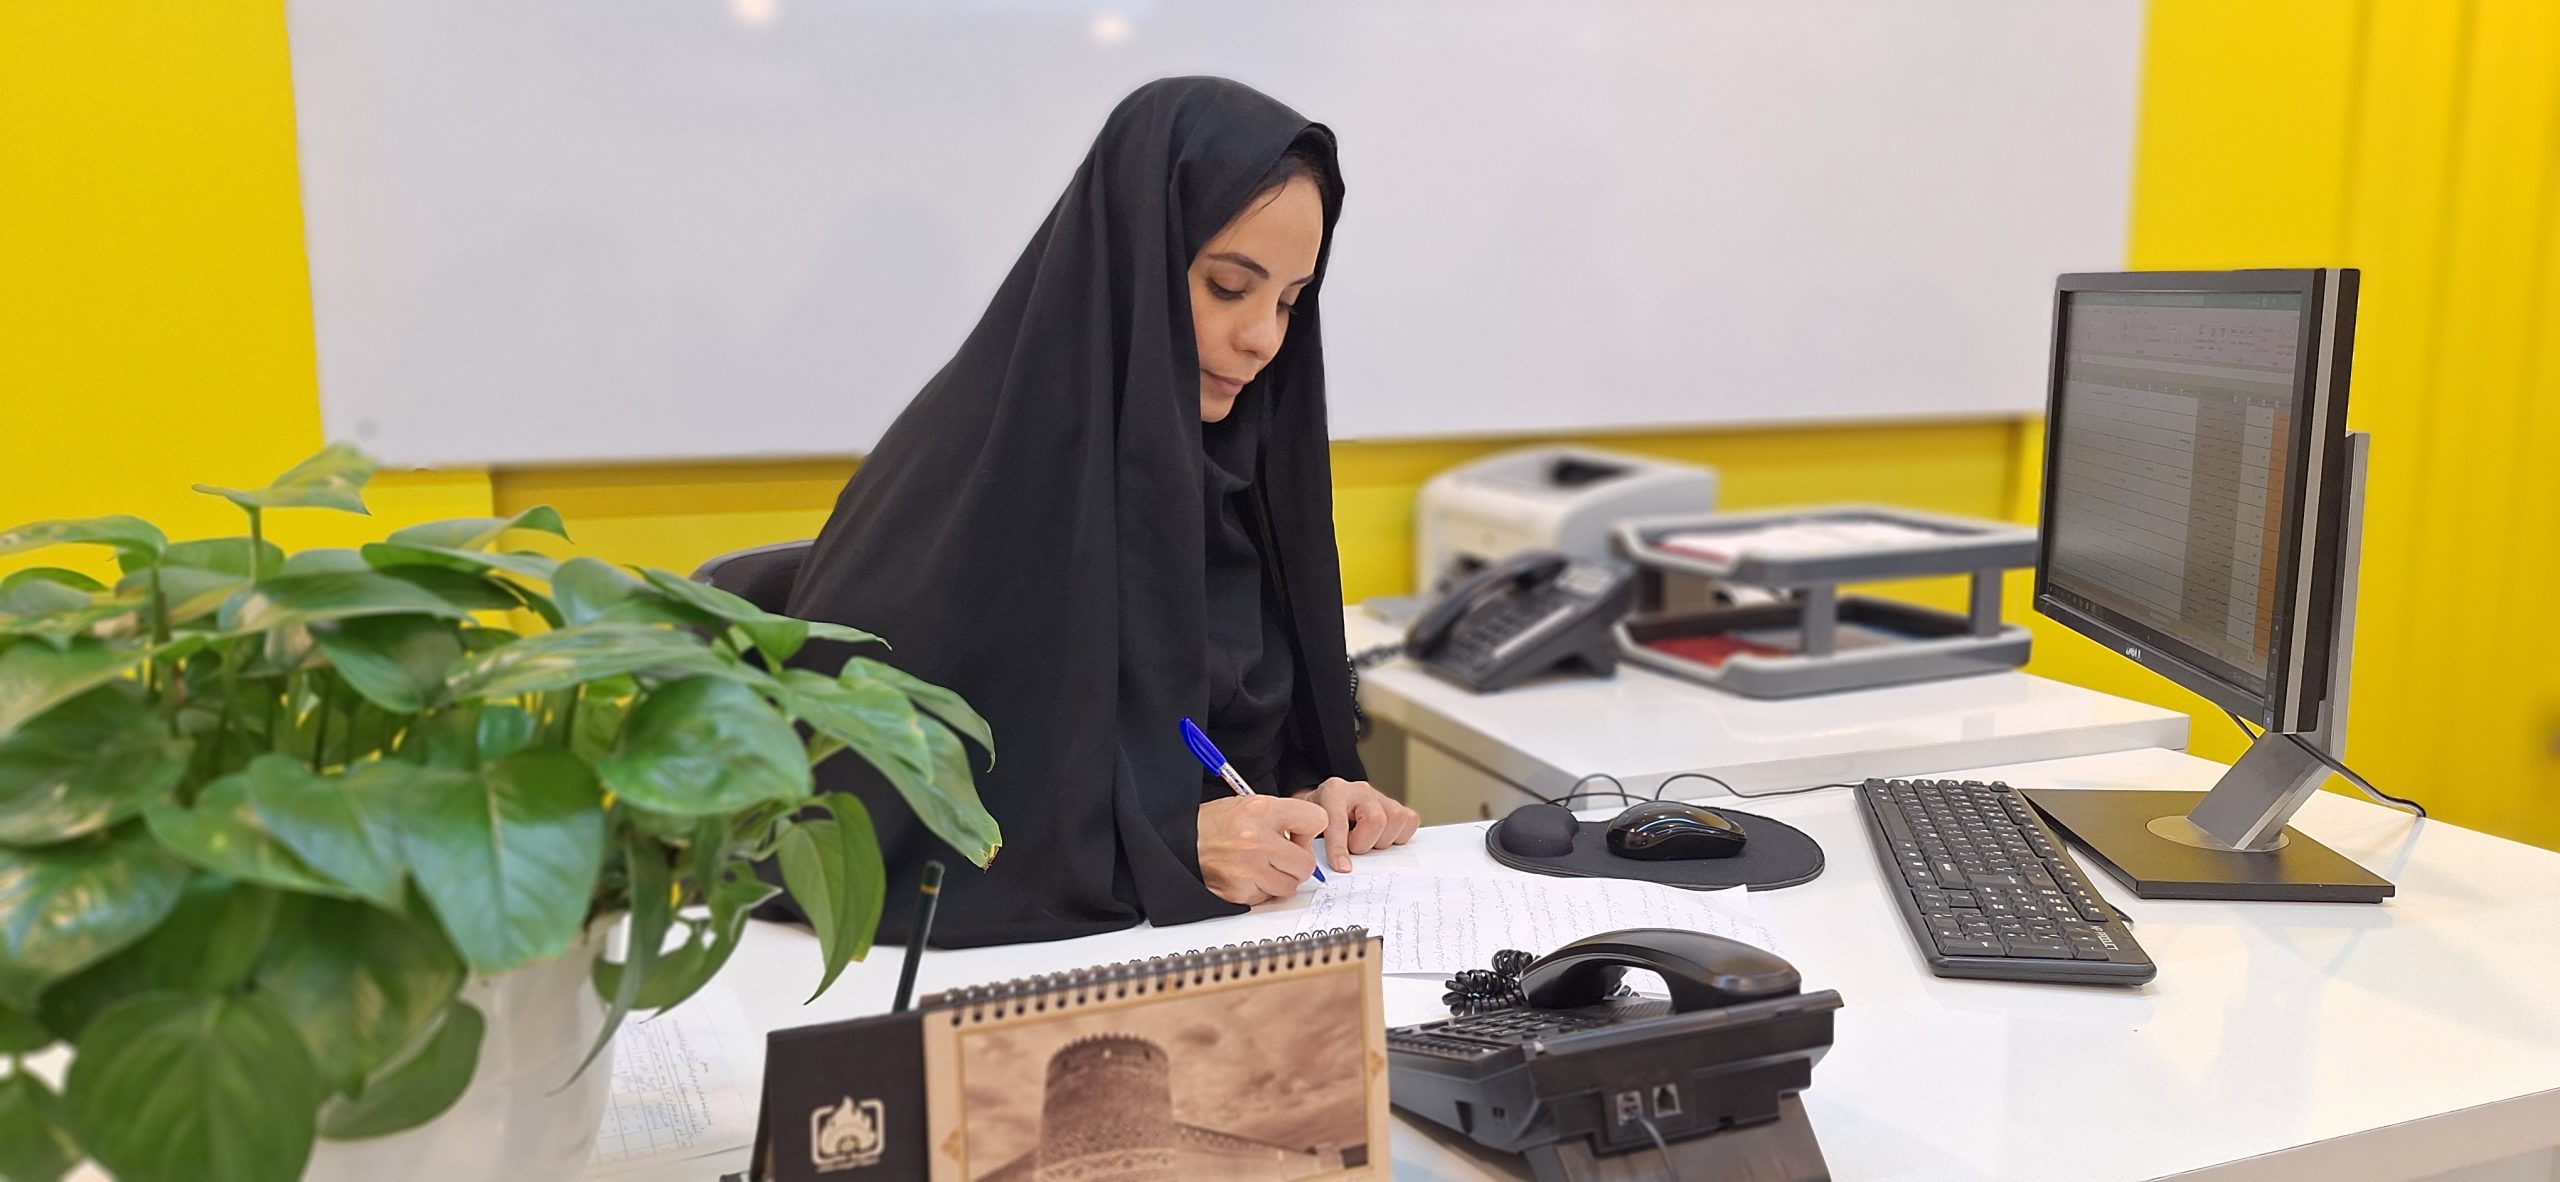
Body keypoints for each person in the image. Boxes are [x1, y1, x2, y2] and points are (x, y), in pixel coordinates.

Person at [784, 77, 1421, 947]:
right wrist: (1156, 846)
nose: (1263, 339)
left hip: (1242, 946)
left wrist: (1313, 796)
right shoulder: (975, 478)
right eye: (1227, 287)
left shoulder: (1242, 482)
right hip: (1022, 975)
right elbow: (865, 818)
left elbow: (1228, 749)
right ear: (1131, 263)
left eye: (1288, 302)